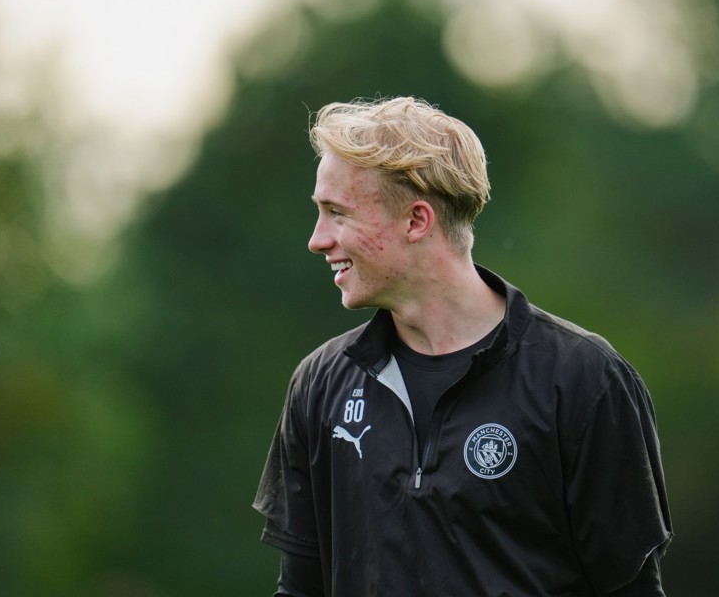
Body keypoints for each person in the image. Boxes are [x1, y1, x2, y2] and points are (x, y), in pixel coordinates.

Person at [253, 96, 673, 596]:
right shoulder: (320, 384)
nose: (317, 239)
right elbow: (300, 590)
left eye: (336, 213)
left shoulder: (586, 379)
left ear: (416, 221)